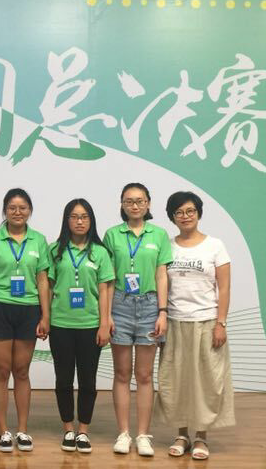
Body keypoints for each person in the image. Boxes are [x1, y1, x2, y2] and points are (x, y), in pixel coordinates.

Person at [156, 191, 235, 460]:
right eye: (179, 212)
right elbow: (161, 283)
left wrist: (221, 323)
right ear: (172, 217)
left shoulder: (215, 246)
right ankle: (182, 435)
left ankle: (201, 437)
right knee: (177, 381)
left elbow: (224, 288)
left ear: (199, 213)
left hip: (206, 321)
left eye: (190, 211)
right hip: (175, 322)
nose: (185, 216)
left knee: (206, 382)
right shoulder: (167, 246)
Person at [0, 188, 51, 453]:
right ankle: (3, 430)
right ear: (4, 211)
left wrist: (45, 315)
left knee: (22, 371)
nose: (17, 212)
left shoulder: (38, 240)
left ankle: (23, 430)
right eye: (12, 208)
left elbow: (42, 280)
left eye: (23, 208)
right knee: (2, 370)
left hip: (29, 310)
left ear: (30, 211)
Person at [103, 182, 172, 457]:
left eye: (140, 201)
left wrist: (162, 312)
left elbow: (161, 275)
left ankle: (143, 435)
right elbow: (107, 278)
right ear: (122, 204)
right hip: (120, 305)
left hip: (149, 306)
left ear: (148, 204)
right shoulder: (112, 235)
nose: (135, 205)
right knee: (122, 374)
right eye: (129, 201)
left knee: (144, 375)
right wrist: (107, 314)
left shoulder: (159, 235)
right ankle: (123, 433)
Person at [47, 199, 114, 454]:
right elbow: (48, 287)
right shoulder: (55, 251)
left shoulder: (100, 252)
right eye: (74, 216)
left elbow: (104, 290)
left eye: (84, 216)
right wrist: (45, 318)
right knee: (63, 379)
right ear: (67, 220)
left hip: (90, 325)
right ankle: (68, 429)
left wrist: (104, 323)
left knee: (88, 380)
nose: (79, 221)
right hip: (60, 324)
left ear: (91, 220)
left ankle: (83, 430)